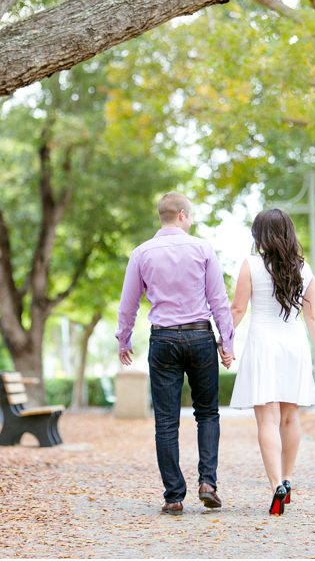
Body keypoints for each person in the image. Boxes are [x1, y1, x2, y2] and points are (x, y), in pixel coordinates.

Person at [116, 191, 235, 515]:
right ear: (182, 215)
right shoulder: (202, 248)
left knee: (166, 421)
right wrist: (227, 341)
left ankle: (173, 496)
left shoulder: (142, 253)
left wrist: (123, 340)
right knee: (207, 413)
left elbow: (128, 304)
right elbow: (218, 300)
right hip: (199, 337)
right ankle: (207, 483)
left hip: (164, 340)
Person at [228, 208, 315, 515]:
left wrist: (224, 341)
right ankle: (288, 477)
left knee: (268, 419)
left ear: (259, 235)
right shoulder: (304, 269)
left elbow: (237, 310)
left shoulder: (251, 265)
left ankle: (276, 486)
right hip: (294, 344)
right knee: (290, 417)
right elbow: (312, 316)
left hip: (263, 343)